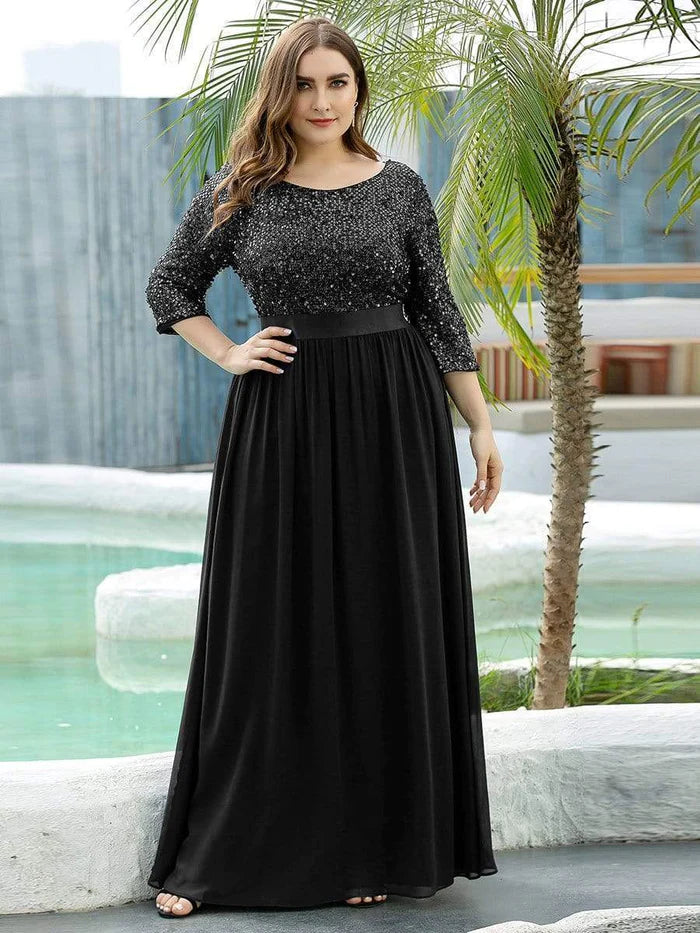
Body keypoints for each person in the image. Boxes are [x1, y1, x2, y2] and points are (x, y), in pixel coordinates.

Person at [145, 15, 503, 919]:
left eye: (337, 82)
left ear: (358, 90)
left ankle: (375, 845)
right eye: (303, 84)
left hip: (395, 420)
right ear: (279, 91)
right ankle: (232, 850)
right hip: (285, 421)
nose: (320, 100)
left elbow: (437, 311)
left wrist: (481, 426)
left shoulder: (401, 187)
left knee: (384, 618)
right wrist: (228, 352)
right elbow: (170, 285)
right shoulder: (241, 189)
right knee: (274, 622)